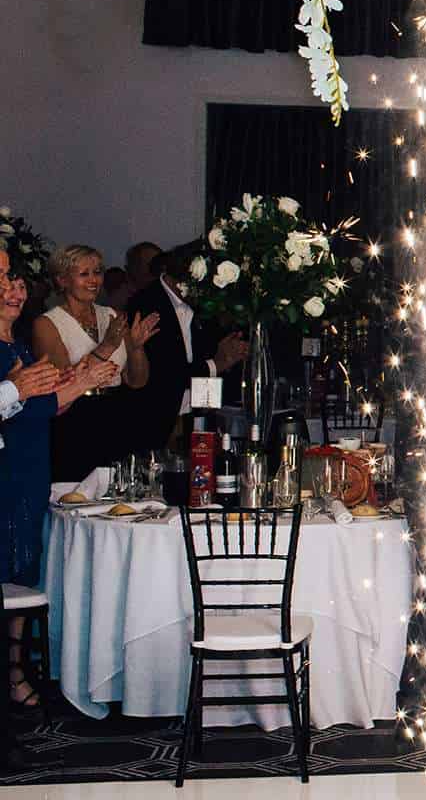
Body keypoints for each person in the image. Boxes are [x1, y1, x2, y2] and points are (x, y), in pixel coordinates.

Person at [2, 246, 116, 711]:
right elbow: (24, 411)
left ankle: (15, 672)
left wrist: (83, 378)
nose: (15, 291)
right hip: (11, 471)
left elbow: (42, 406)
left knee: (20, 575)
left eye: (16, 283)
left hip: (30, 468)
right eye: (7, 282)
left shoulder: (18, 347)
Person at [32, 243, 160, 481]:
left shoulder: (110, 315)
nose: (94, 280)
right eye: (84, 274)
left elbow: (137, 380)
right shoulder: (47, 324)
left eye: (97, 272)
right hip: (76, 420)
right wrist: (108, 346)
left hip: (117, 413)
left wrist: (136, 347)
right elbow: (64, 382)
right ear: (62, 280)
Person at [126, 243, 249, 450]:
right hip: (156, 421)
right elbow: (163, 373)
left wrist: (231, 355)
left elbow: (213, 351)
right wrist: (216, 364)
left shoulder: (203, 304)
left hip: (199, 414)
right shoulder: (145, 305)